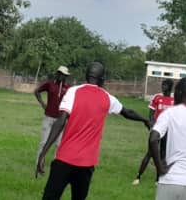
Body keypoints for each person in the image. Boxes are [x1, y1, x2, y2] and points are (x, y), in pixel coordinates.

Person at [37, 61, 151, 200]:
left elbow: (60, 121)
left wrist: (43, 153)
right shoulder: (108, 98)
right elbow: (128, 113)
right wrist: (144, 120)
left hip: (64, 160)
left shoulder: (73, 91)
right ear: (103, 78)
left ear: (86, 75)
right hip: (86, 165)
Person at [133, 78, 176, 185]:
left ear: (170, 87)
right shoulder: (157, 97)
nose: (163, 87)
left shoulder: (174, 100)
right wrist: (152, 126)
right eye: (162, 85)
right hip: (157, 130)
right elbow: (151, 114)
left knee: (162, 155)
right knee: (150, 152)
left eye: (165, 85)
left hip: (167, 131)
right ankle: (138, 177)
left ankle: (158, 179)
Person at [34, 66, 70, 161]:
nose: (61, 76)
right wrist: (43, 104)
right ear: (57, 74)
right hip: (48, 117)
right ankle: (39, 162)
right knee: (44, 142)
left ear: (66, 76)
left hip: (60, 120)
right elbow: (37, 91)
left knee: (59, 144)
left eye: (64, 75)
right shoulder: (50, 84)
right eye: (60, 74)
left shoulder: (68, 88)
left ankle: (56, 163)